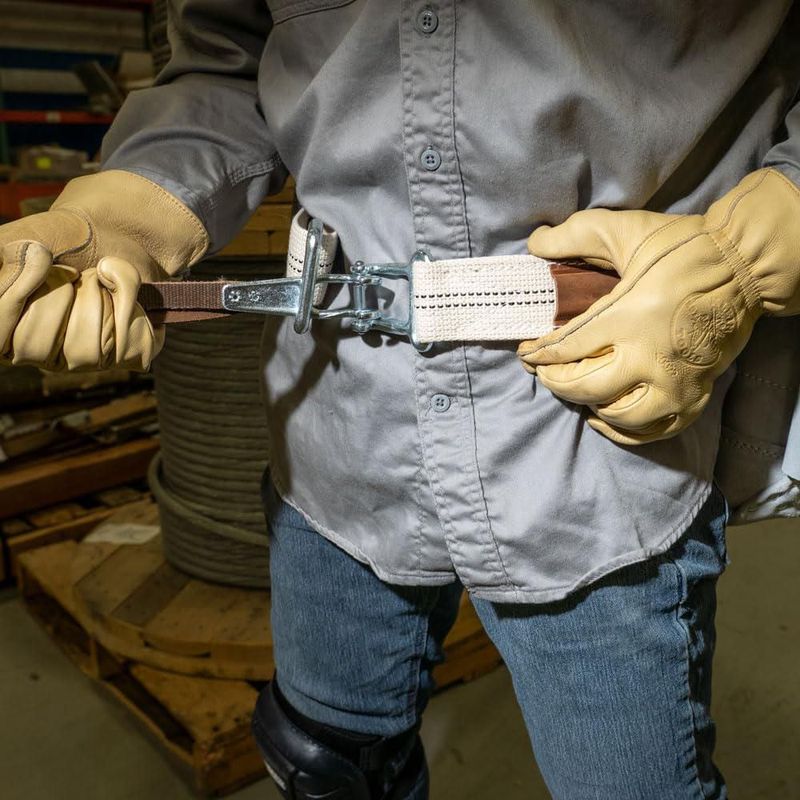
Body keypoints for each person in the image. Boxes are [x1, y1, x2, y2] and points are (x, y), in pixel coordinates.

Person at [1, 3, 800, 798]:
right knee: (323, 763)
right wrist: (121, 218)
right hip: (341, 424)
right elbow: (230, 63)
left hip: (594, 429)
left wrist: (749, 248)